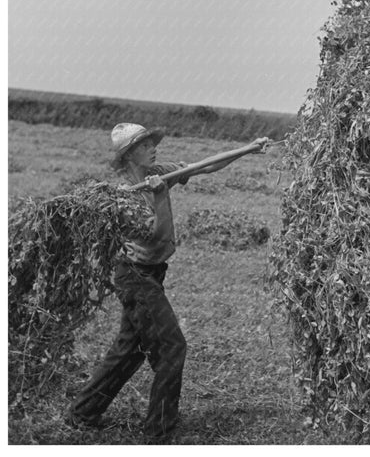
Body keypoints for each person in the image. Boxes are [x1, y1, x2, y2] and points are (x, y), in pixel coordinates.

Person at [68, 122, 267, 441]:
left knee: (130, 349)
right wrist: (160, 195)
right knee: (173, 348)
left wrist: (248, 148)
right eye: (146, 145)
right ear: (130, 154)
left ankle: (83, 412)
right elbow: (158, 233)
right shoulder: (122, 196)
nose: (154, 148)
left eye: (151, 143)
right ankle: (158, 434)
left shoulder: (159, 171)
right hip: (134, 276)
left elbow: (206, 166)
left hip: (151, 273)